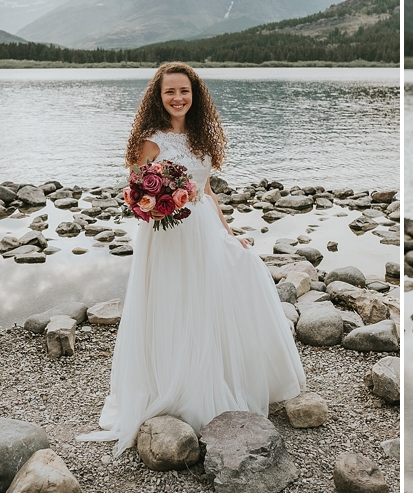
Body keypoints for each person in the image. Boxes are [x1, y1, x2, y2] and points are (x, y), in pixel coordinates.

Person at [77, 62, 305, 456]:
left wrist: (229, 234)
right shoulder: (149, 140)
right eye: (170, 92)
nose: (178, 97)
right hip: (166, 235)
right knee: (172, 302)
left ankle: (217, 377)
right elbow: (135, 194)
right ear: (158, 96)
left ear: (194, 94)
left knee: (229, 282)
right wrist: (156, 205)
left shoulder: (202, 137)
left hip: (203, 229)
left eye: (185, 91)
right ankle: (173, 383)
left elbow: (208, 191)